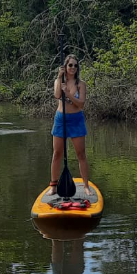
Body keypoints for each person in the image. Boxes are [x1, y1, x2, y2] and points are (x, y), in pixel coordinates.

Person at [48, 54, 92, 196]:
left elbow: (81, 104)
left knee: (81, 153)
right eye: (70, 65)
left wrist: (69, 94)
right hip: (61, 119)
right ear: (65, 67)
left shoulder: (81, 84)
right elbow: (56, 95)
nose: (73, 68)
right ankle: (53, 185)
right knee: (57, 154)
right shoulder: (59, 81)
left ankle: (86, 186)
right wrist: (60, 79)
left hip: (76, 120)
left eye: (75, 65)